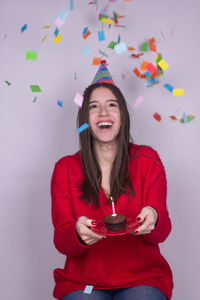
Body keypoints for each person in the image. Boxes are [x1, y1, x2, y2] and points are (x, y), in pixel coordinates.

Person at [51, 60, 173, 300]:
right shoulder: (65, 169)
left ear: (122, 115)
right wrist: (77, 233)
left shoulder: (147, 160)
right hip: (83, 283)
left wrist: (155, 218)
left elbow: (162, 231)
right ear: (85, 118)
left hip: (143, 278)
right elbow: (62, 241)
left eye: (111, 105)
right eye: (94, 106)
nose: (103, 113)